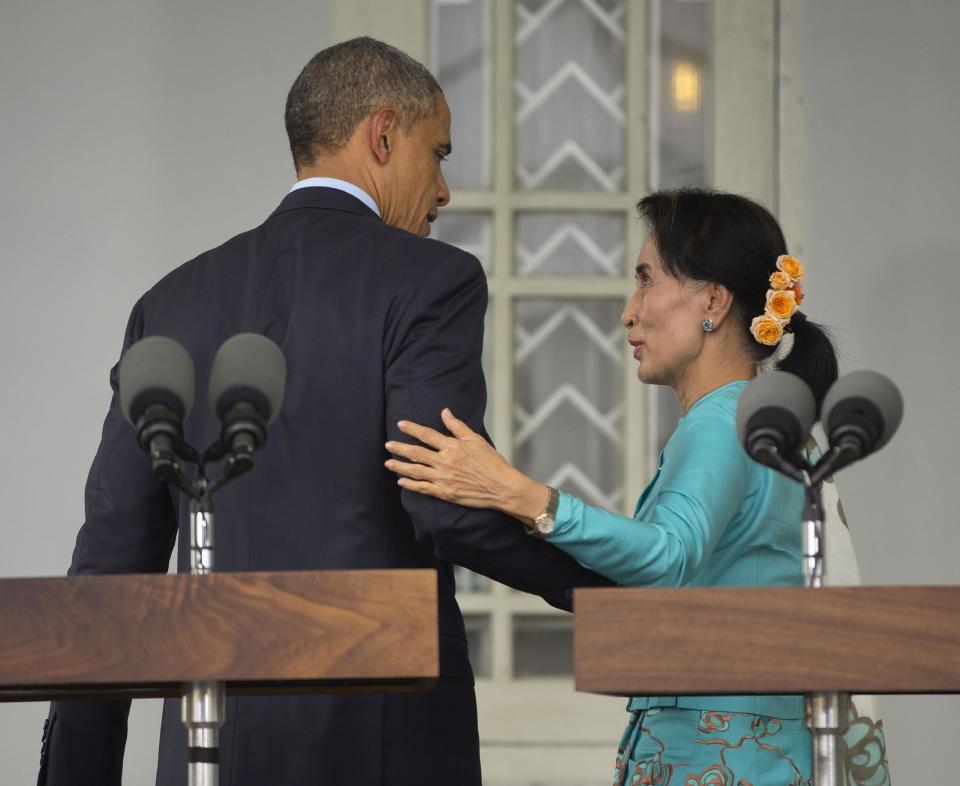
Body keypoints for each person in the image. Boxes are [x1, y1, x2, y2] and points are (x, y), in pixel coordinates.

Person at [38, 37, 610, 786]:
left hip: (211, 752)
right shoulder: (431, 280)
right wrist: (611, 590)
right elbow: (445, 504)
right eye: (437, 154)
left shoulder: (170, 300)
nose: (443, 191)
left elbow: (111, 566)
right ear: (382, 135)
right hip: (380, 737)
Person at [385, 188, 841, 786]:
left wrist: (521, 495)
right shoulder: (762, 415)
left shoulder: (724, 418)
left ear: (714, 300)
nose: (629, 311)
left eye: (647, 280)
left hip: (725, 756)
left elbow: (670, 557)